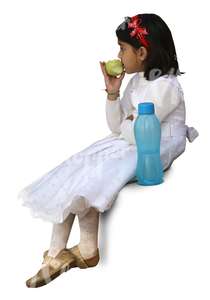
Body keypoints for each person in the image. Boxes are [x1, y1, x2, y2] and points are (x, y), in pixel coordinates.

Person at [17, 13, 198, 288]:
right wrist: (114, 93)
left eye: (122, 49)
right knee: (78, 167)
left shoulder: (167, 87)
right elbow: (118, 126)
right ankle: (71, 252)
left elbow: (141, 132)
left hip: (157, 146)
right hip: (133, 140)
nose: (118, 55)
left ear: (142, 52)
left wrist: (131, 124)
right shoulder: (138, 82)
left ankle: (69, 253)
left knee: (98, 176)